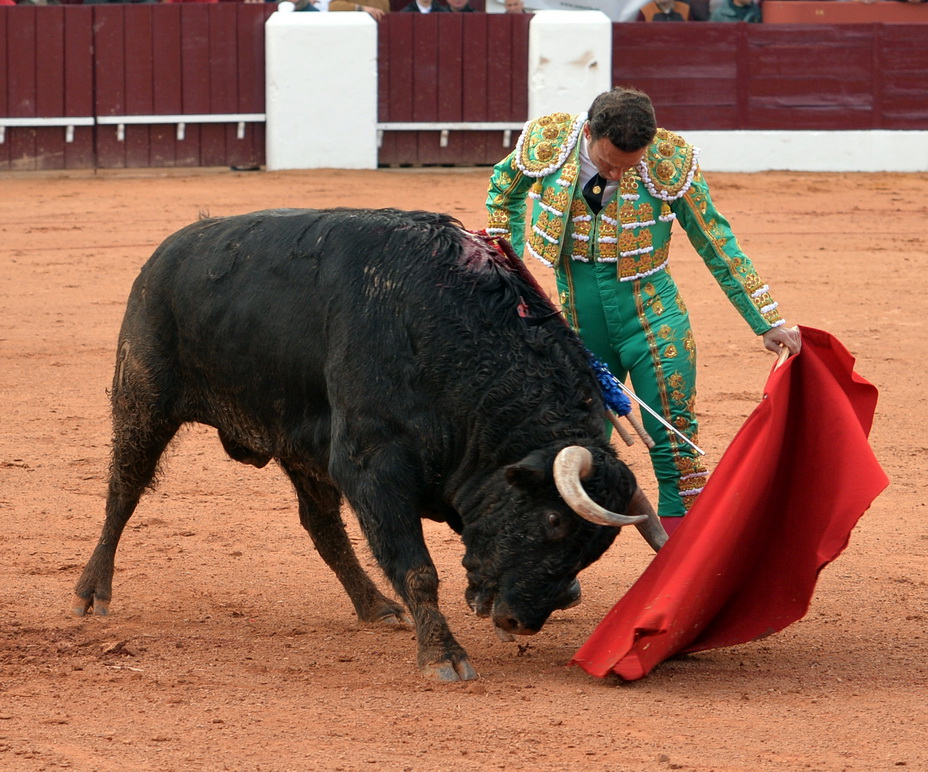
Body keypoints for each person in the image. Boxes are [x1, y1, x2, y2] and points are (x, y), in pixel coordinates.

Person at [485, 87, 801, 534]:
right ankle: (555, 564)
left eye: (628, 165)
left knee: (674, 436)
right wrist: (509, 270)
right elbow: (503, 193)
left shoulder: (668, 161)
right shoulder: (548, 143)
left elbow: (715, 240)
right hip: (574, 325)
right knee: (576, 445)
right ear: (589, 132)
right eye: (610, 161)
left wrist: (766, 320)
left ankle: (685, 565)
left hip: (654, 318)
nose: (616, 173)